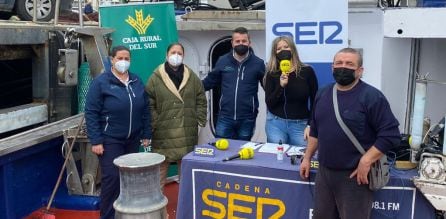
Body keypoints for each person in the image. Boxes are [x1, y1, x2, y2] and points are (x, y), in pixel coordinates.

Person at [299, 48, 400, 219]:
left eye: (349, 64)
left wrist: (366, 160)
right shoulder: (323, 94)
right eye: (339, 63)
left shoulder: (372, 97)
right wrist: (307, 158)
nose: (343, 67)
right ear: (332, 67)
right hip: (324, 174)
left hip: (355, 178)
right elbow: (315, 130)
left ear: (360, 71)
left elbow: (390, 135)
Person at [85, 45, 151, 219]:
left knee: (129, 179)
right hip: (110, 140)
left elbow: (144, 109)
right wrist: (96, 140)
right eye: (120, 58)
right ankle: (107, 216)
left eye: (127, 59)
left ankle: (126, 213)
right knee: (112, 178)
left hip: (133, 139)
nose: (123, 62)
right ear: (112, 60)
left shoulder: (136, 81)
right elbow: (91, 112)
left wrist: (146, 134)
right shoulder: (101, 83)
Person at [146, 42, 207, 189]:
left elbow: (201, 98)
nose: (176, 56)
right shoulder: (156, 77)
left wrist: (199, 118)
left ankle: (185, 208)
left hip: (187, 130)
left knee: (186, 170)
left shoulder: (191, 77)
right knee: (160, 171)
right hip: (163, 131)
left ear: (183, 56)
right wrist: (156, 121)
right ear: (167, 55)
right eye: (173, 52)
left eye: (179, 53)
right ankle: (158, 210)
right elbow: (148, 103)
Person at [202, 27, 265, 141]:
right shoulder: (223, 61)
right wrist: (191, 86)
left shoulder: (258, 63)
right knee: (221, 150)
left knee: (242, 151)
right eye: (237, 41)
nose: (241, 43)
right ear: (232, 43)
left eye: (244, 41)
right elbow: (210, 81)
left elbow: (268, 86)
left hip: (247, 118)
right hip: (225, 117)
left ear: (249, 43)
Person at [264, 36, 318, 146]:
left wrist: (310, 125)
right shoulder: (271, 73)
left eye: (286, 47)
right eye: (279, 49)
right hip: (275, 123)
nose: (283, 50)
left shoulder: (307, 71)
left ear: (292, 49)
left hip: (300, 125)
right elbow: (269, 103)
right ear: (275, 53)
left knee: (301, 159)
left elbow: (315, 101)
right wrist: (280, 86)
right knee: (276, 158)